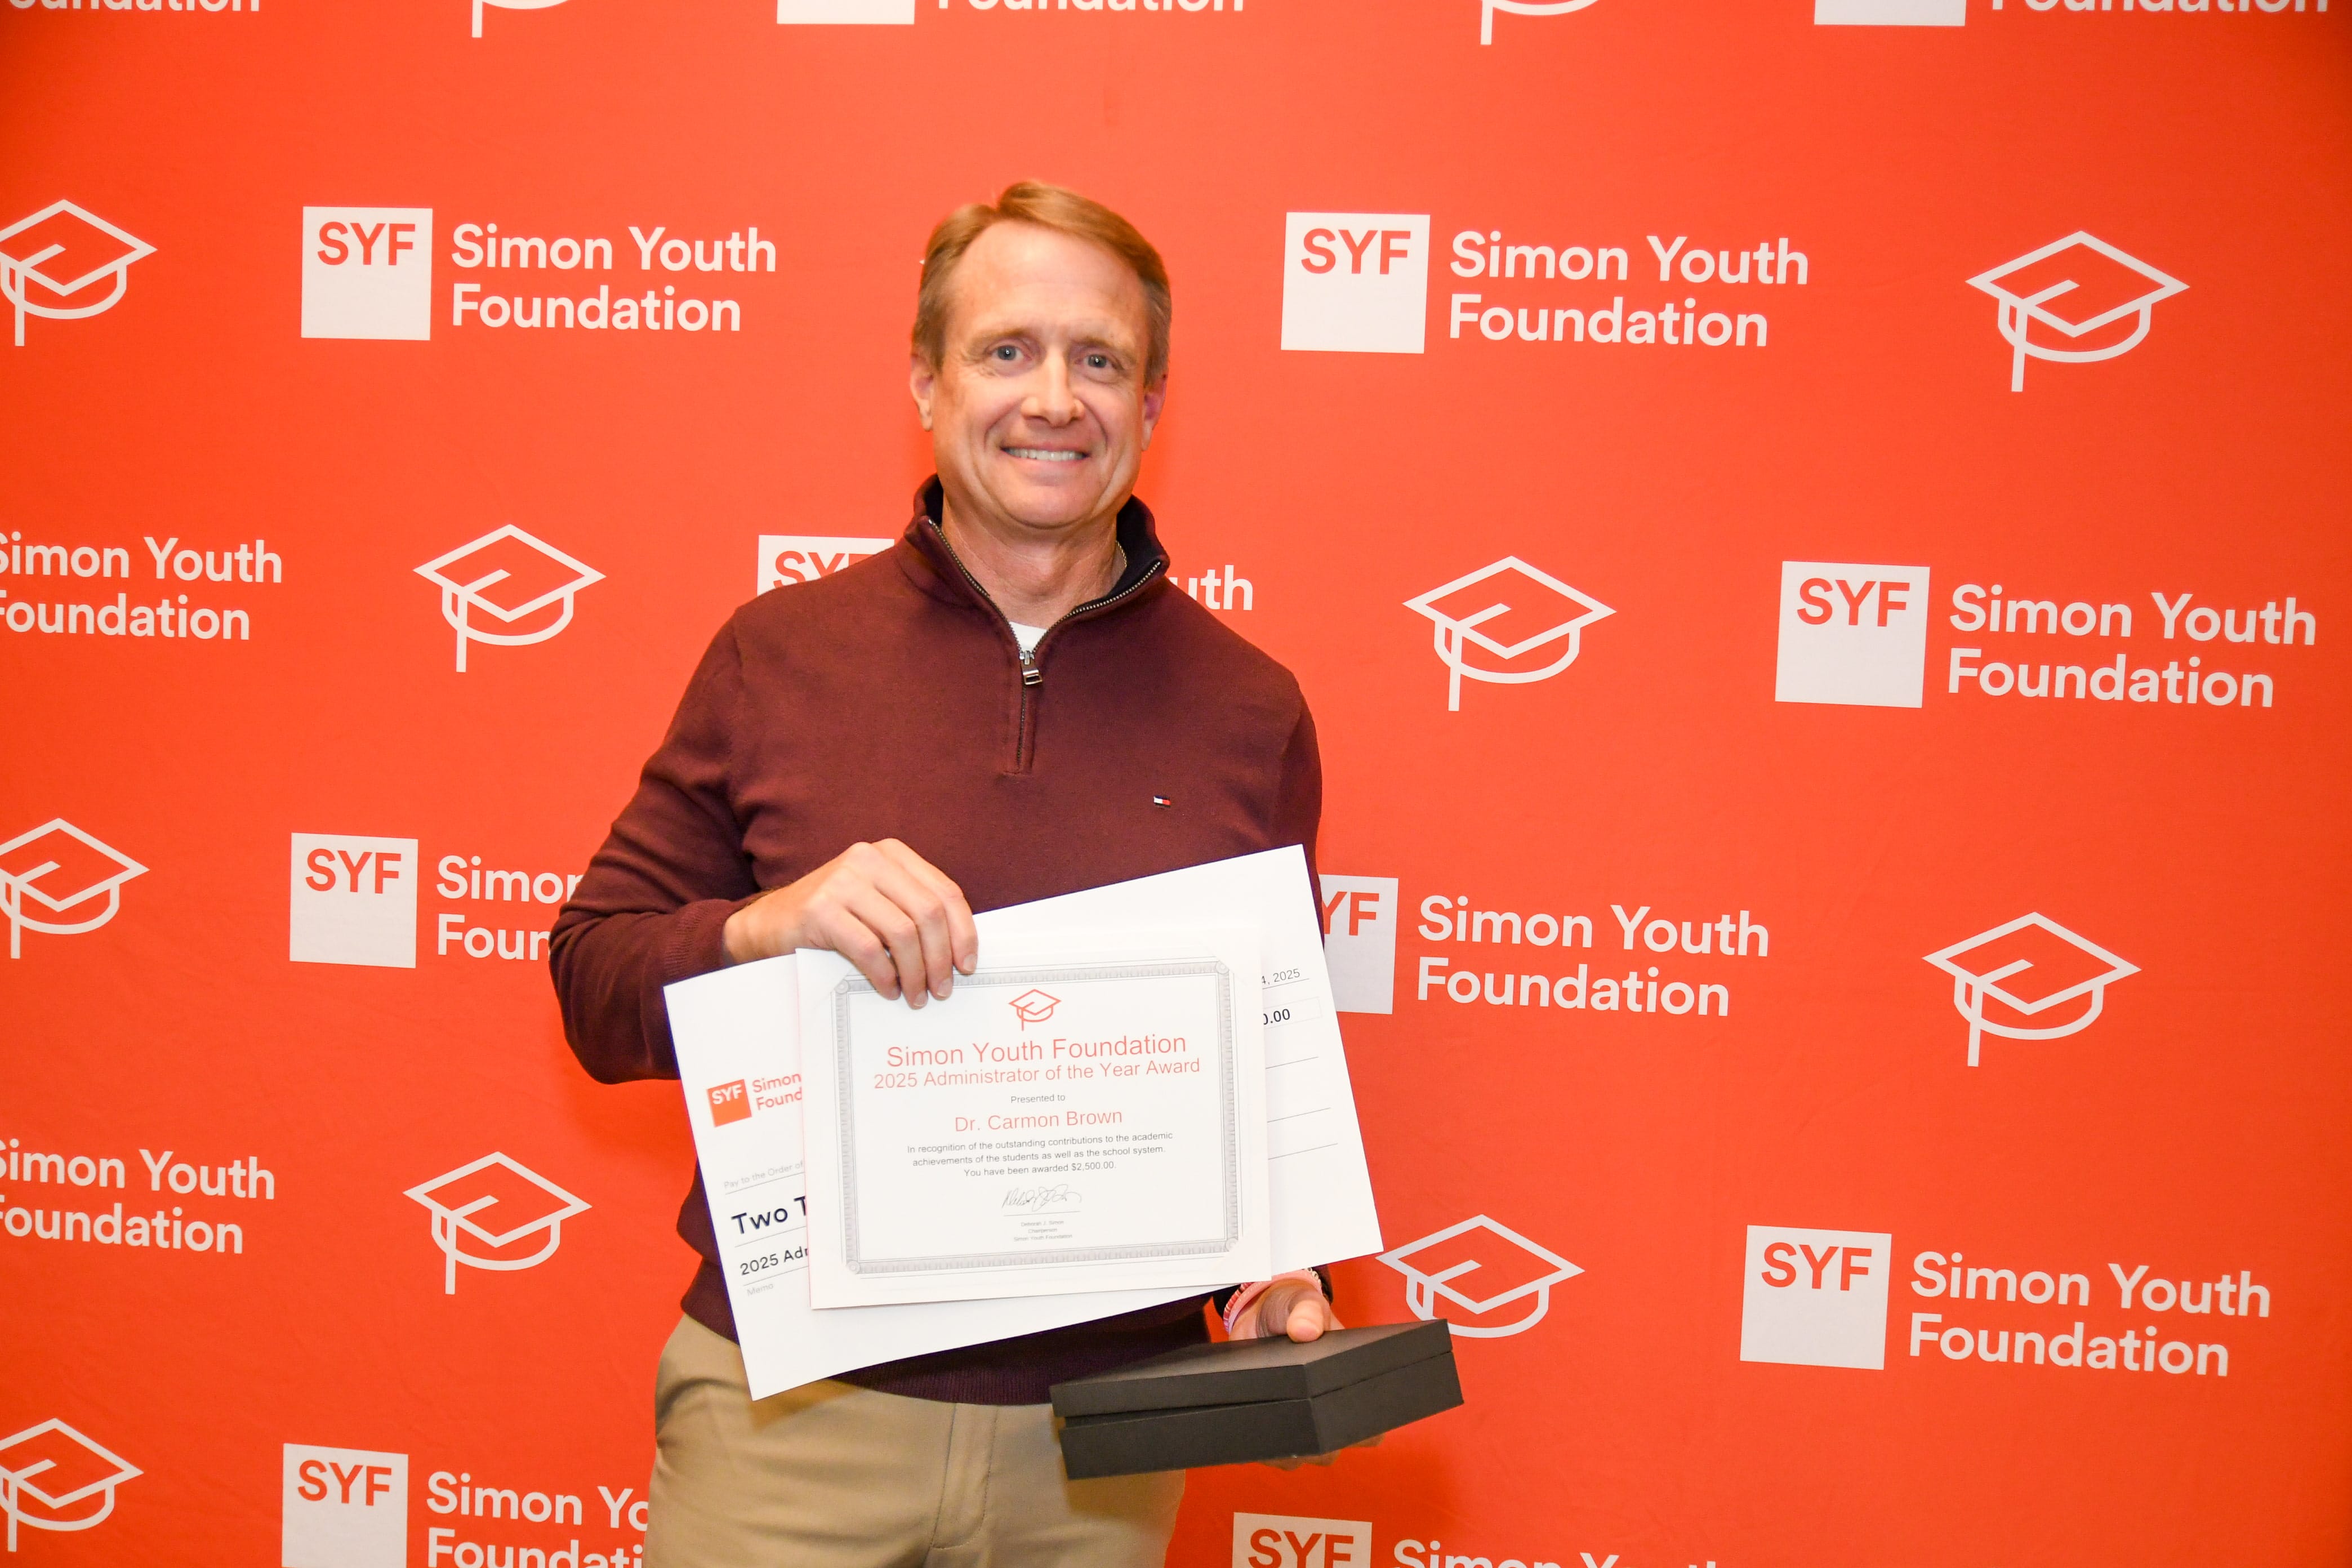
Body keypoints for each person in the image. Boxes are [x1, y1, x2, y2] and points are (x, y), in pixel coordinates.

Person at [550, 182, 1339, 1567]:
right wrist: (766, 928)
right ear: (925, 381)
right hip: (793, 1424)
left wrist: (1279, 1273)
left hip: (1104, 1448)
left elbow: (1258, 1089)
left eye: (1100, 360)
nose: (1055, 397)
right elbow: (595, 981)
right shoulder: (774, 655)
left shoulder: (1251, 709)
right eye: (1005, 350)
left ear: (1153, 406)